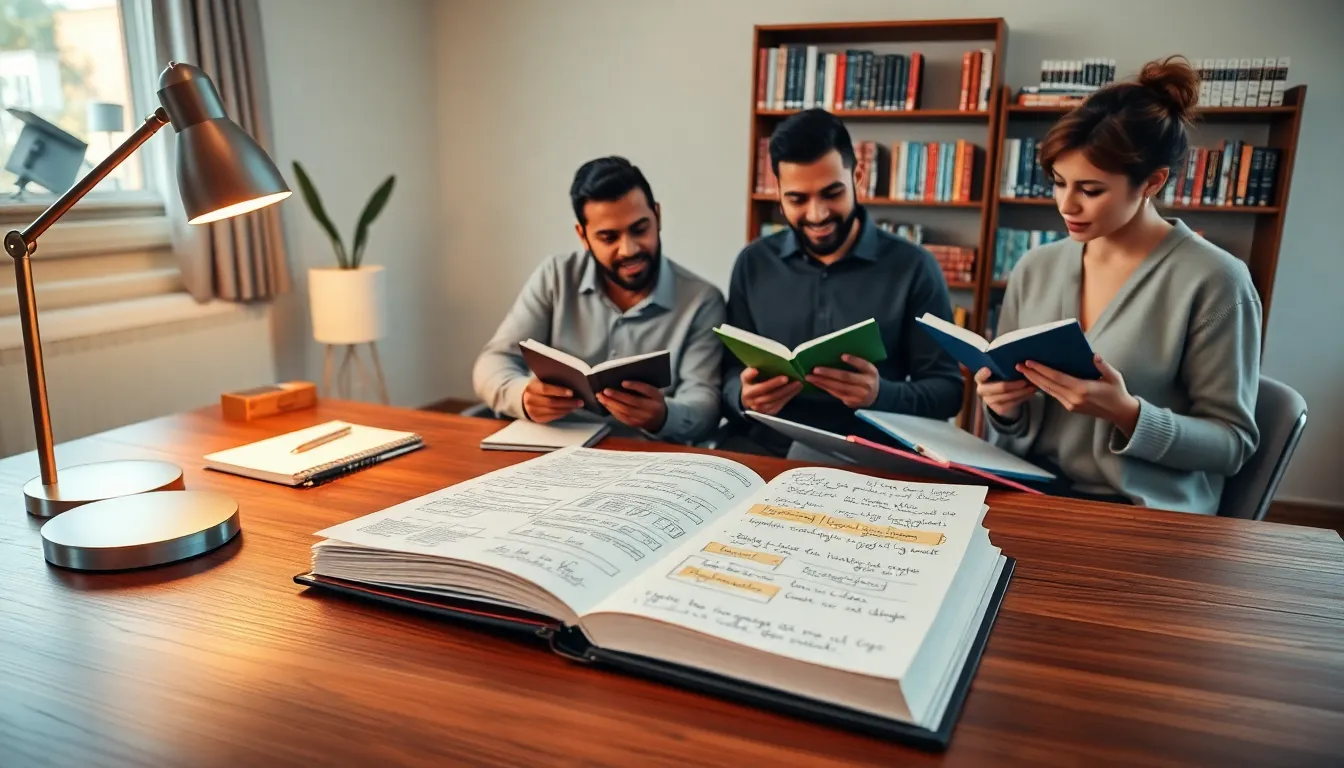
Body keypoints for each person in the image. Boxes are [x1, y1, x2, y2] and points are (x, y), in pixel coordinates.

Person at [976, 55, 1261, 515]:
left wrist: (1127, 414)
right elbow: (1014, 426)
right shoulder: (1036, 266)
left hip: (1138, 512)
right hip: (1029, 494)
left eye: (1090, 190)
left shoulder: (1216, 281)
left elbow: (1232, 444)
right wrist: (1002, 407)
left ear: (1152, 182)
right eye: (1058, 182)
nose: (1066, 205)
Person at [720, 108, 965, 456]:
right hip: (768, 449)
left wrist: (881, 395)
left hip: (870, 456)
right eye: (797, 199)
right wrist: (741, 394)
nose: (817, 214)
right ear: (778, 191)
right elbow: (728, 374)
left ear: (858, 177)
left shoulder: (913, 267)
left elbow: (948, 392)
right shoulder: (753, 263)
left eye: (831, 193)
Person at [472, 156, 726, 444]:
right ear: (583, 235)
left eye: (640, 229)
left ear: (657, 216)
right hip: (548, 448)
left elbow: (705, 405)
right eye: (608, 237)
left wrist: (662, 415)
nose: (628, 249)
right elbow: (492, 362)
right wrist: (523, 397)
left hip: (644, 459)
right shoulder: (556, 276)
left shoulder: (702, 300)